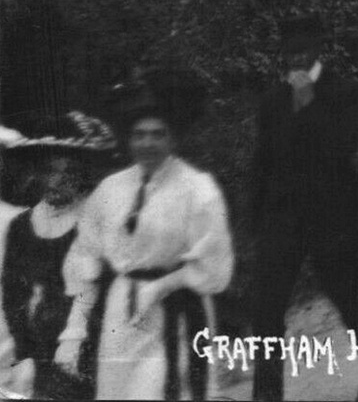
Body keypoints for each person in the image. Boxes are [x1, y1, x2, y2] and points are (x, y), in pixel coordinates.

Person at [60, 68, 234, 401]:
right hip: (120, 317)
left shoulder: (197, 189)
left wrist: (160, 287)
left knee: (163, 390)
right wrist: (74, 330)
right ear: (129, 139)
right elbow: (86, 255)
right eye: (139, 134)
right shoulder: (111, 189)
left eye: (158, 134)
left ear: (173, 138)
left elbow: (214, 266)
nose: (148, 143)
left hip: (176, 313)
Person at [249, 15, 358, 402]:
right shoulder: (272, 99)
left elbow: (339, 149)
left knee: (345, 298)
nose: (296, 60)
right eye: (289, 53)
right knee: (267, 310)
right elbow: (263, 159)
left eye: (303, 51)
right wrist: (256, 217)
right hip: (282, 218)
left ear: (319, 50)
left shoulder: (346, 93)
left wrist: (307, 103)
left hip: (333, 215)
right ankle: (266, 394)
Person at [2, 112, 115, 401]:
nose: (56, 181)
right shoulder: (22, 226)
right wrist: (25, 355)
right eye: (50, 171)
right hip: (43, 350)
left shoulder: (96, 221)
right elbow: (15, 293)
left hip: (96, 347)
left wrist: (79, 343)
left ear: (81, 175)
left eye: (67, 173)